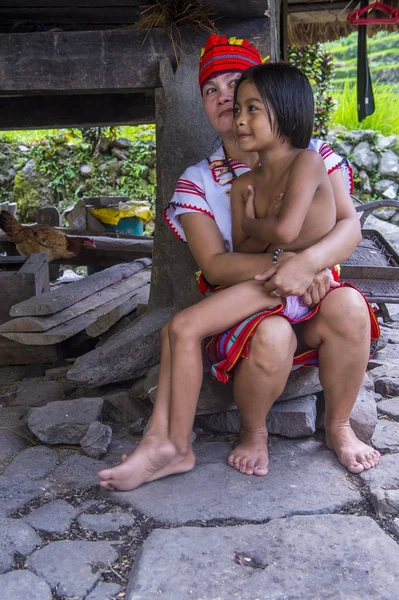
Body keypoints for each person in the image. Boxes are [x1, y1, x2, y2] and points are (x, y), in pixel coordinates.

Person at [98, 36, 380, 492]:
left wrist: (309, 264)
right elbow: (215, 265)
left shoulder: (313, 156)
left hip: (315, 295)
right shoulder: (202, 181)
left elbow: (348, 226)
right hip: (251, 307)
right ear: (206, 106)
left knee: (348, 306)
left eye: (239, 86)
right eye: (212, 90)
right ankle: (245, 433)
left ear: (274, 102)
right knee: (268, 333)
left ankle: (339, 426)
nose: (227, 97)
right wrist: (282, 262)